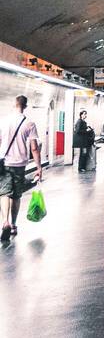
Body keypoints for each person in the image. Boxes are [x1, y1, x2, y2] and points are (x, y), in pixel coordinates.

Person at [0, 95, 42, 242]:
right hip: (20, 164)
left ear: (14, 104)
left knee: (4, 193)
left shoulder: (3, 121)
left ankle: (4, 221)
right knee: (16, 196)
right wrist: (38, 167)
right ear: (25, 106)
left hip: (4, 163)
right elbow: (34, 148)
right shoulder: (29, 123)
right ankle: (13, 224)